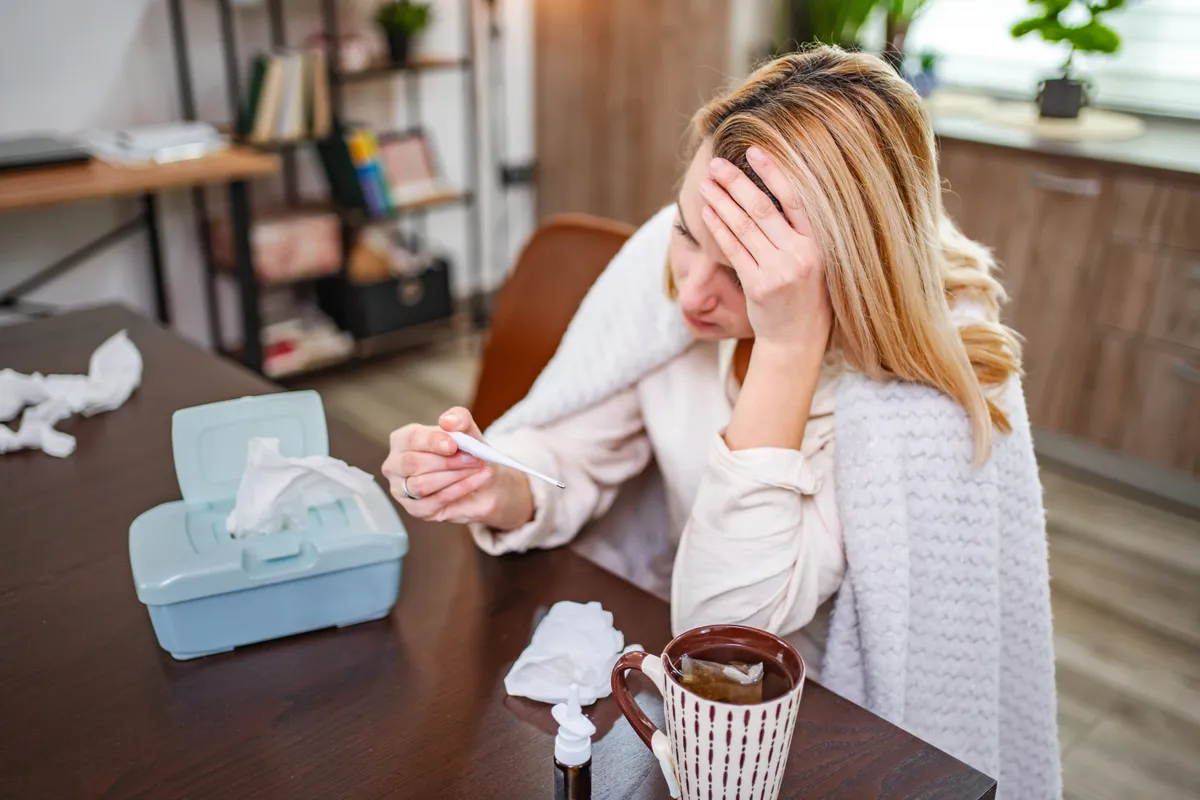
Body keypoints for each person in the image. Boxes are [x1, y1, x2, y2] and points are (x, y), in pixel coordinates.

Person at [383, 47, 1060, 798]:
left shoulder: (915, 408)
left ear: (849, 269)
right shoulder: (674, 274)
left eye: (741, 272)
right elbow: (574, 445)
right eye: (684, 230)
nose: (691, 296)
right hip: (668, 707)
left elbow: (726, 643)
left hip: (815, 738)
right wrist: (499, 482)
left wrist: (788, 344)